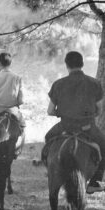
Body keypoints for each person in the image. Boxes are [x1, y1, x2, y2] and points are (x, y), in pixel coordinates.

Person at [43, 51, 105, 193]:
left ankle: (51, 169)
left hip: (65, 125)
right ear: (82, 64)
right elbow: (99, 110)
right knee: (103, 146)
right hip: (87, 127)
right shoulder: (94, 83)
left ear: (67, 65)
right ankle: (95, 181)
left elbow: (50, 111)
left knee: (48, 138)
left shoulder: (58, 84)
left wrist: (63, 112)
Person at [0, 52, 25, 146]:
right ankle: (18, 146)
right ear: (10, 63)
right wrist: (18, 103)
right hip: (12, 109)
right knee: (22, 125)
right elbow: (21, 98)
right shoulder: (17, 77)